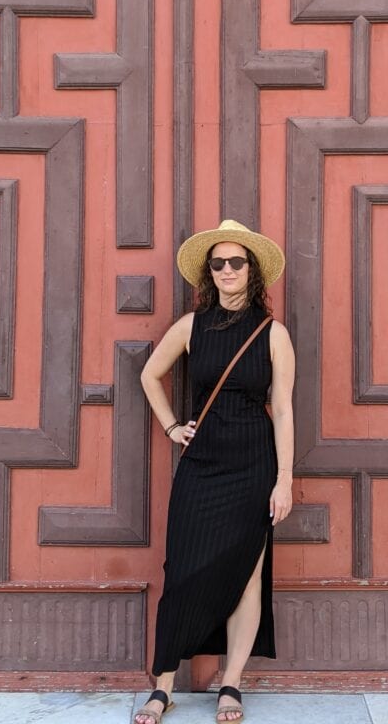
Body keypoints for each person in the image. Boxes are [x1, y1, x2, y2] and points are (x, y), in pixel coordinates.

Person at [135, 220, 295, 724]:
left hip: (253, 465)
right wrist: (170, 427)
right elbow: (149, 374)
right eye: (218, 263)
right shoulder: (190, 326)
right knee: (180, 571)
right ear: (210, 272)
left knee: (247, 577)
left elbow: (284, 410)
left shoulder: (274, 334)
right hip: (201, 464)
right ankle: (162, 687)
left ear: (253, 272)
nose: (227, 270)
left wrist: (284, 479)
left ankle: (232, 684)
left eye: (236, 262)